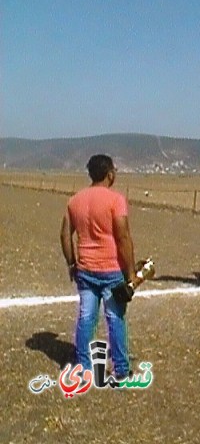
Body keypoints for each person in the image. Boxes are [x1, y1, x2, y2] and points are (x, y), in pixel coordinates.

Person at [60, 154, 138, 379]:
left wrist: (71, 263)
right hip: (112, 271)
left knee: (86, 318)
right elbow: (123, 237)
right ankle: (121, 369)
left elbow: (65, 235)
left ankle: (84, 367)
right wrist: (131, 271)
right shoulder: (116, 200)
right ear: (109, 174)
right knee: (115, 319)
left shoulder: (75, 200)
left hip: (85, 269)